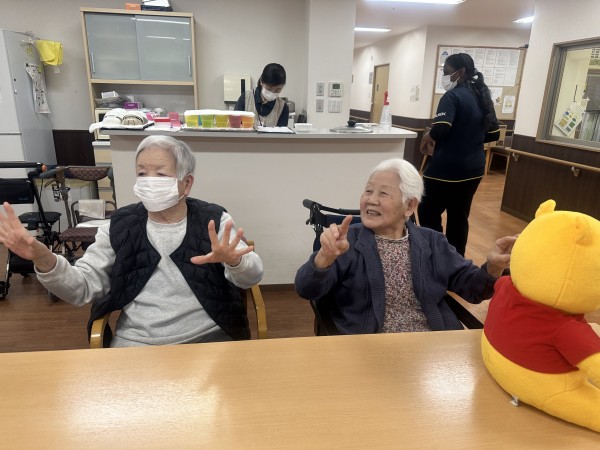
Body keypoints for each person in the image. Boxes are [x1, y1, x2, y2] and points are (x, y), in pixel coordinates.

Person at [0, 135, 263, 347]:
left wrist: (236, 262)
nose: (149, 182)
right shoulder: (119, 226)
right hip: (137, 343)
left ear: (186, 183)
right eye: (142, 173)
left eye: (160, 175)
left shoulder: (213, 219)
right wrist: (44, 259)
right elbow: (82, 288)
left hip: (209, 339)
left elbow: (252, 275)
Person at [295, 158, 516, 335]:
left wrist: (493, 267)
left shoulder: (432, 242)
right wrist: (324, 258)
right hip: (369, 347)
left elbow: (474, 290)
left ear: (409, 206)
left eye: (383, 193)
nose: (371, 200)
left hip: (432, 344)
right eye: (368, 191)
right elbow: (306, 289)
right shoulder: (346, 241)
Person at [418, 52, 500, 256]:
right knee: (459, 217)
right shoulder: (482, 97)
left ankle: (436, 256)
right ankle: (456, 262)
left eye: (447, 72)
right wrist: (468, 139)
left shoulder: (452, 96)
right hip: (473, 170)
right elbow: (494, 134)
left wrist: (428, 134)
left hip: (445, 170)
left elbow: (442, 127)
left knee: (427, 212)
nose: (444, 76)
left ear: (460, 72)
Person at [235, 63, 289, 127]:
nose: (272, 93)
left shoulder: (282, 107)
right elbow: (235, 126)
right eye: (269, 88)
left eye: (277, 90)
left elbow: (281, 132)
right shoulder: (245, 98)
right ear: (261, 81)